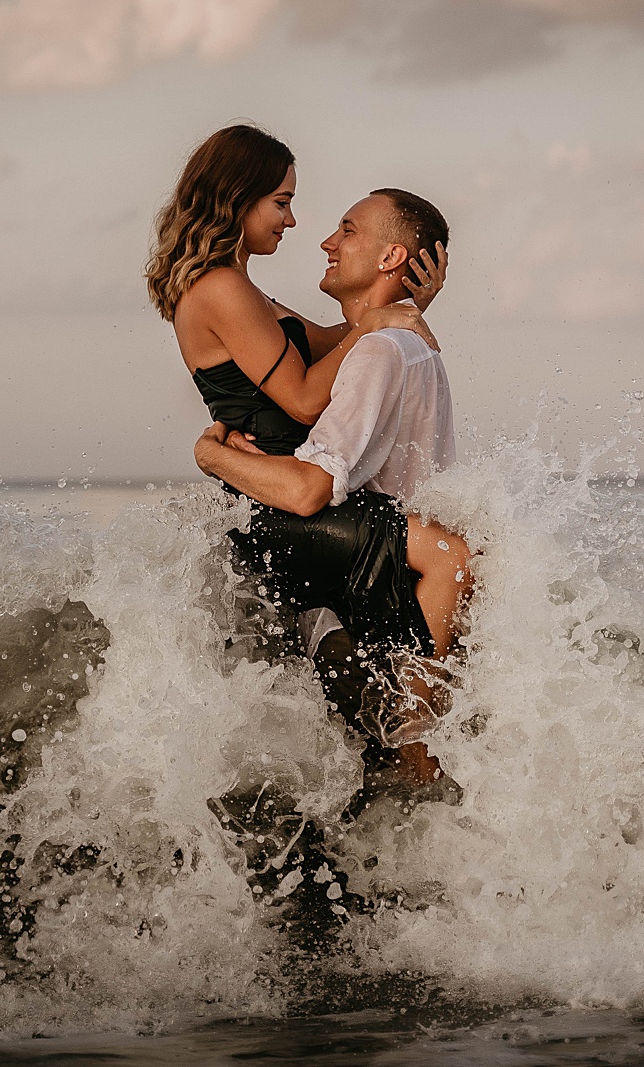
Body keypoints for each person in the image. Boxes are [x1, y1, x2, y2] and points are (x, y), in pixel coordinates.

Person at [145, 125, 469, 781]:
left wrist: (402, 300)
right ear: (238, 199)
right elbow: (299, 396)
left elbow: (335, 338)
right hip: (280, 499)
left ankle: (344, 666)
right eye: (281, 201)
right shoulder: (218, 288)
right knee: (445, 555)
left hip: (301, 492)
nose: (294, 221)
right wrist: (211, 456)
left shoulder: (246, 289)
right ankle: (412, 740)